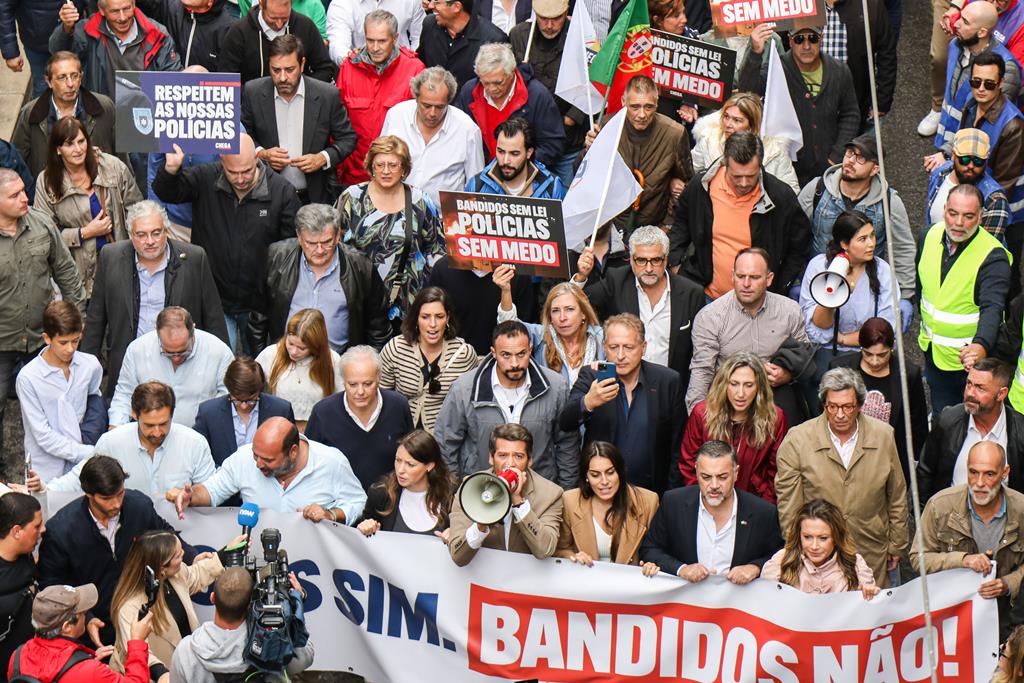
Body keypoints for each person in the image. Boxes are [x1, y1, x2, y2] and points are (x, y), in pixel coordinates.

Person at [151, 134, 301, 354]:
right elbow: (167, 192)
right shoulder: (205, 178)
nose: (240, 178)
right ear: (221, 162)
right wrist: (171, 168)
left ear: (257, 160)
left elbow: (290, 250)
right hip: (216, 297)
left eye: (247, 171)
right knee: (219, 364)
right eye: (233, 172)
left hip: (259, 303)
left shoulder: (282, 191)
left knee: (258, 366)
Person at [38, 455, 196, 646]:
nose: (116, 504)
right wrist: (86, 618)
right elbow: (53, 585)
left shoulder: (139, 507)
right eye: (106, 498)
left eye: (120, 494)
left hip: (142, 621)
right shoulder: (61, 531)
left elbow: (166, 534)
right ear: (88, 494)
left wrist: (193, 557)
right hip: (98, 632)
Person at [775, 367, 909, 586]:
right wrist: (796, 549)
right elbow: (789, 505)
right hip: (818, 557)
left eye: (847, 407)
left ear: (859, 405)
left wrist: (897, 544)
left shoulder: (883, 435)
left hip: (871, 547)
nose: (839, 414)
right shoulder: (797, 440)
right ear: (824, 404)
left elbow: (896, 494)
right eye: (832, 406)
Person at [82, 201, 229, 399]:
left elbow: (214, 319)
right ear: (131, 235)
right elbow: (96, 320)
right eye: (141, 235)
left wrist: (223, 373)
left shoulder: (194, 258)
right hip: (130, 366)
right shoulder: (111, 257)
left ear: (166, 231)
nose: (150, 241)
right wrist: (86, 375)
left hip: (181, 364)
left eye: (156, 233)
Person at [0, 168, 84, 462]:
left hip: (41, 339)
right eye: (14, 195)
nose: (25, 198)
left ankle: (58, 468)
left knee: (54, 407)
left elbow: (66, 272)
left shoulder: (40, 223)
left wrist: (75, 322)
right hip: (2, 343)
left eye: (24, 190)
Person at [672, 130, 811, 301]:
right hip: (705, 296)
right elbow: (681, 224)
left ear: (760, 166)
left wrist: (779, 287)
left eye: (750, 176)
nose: (744, 183)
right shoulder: (701, 187)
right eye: (736, 176)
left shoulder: (780, 197)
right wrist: (675, 265)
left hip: (758, 303)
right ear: (725, 164)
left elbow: (799, 246)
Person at [436, 320, 578, 487]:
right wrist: (456, 492)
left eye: (521, 354)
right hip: (481, 491)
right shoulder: (464, 389)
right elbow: (445, 443)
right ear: (493, 353)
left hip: (538, 493)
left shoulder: (556, 387)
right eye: (506, 355)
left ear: (530, 350)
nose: (515, 363)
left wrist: (566, 492)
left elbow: (567, 444)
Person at [559, 314, 684, 495]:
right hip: (600, 492)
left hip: (650, 493)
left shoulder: (667, 381)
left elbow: (677, 447)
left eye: (628, 347)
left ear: (643, 348)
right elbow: (565, 421)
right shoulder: (592, 376)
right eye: (613, 347)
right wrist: (588, 402)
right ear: (604, 348)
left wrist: (670, 496)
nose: (620, 355)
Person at [685, 248, 811, 422]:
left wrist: (788, 374)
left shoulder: (789, 311)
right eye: (740, 276)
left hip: (775, 395)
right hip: (729, 396)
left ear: (769, 279)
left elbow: (805, 353)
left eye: (754, 277)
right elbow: (702, 371)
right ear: (732, 276)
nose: (745, 284)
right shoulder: (711, 317)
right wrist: (697, 420)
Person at [914, 441, 1024, 638]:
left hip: (1005, 621)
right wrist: (962, 560)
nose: (979, 483)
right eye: (973, 472)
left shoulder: (1021, 510)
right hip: (951, 619)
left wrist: (1008, 584)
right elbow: (918, 558)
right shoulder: (940, 506)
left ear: (1005, 472)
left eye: (989, 474)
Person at [917, 184, 1011, 417]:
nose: (958, 223)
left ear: (980, 217)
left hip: (968, 363)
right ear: (944, 210)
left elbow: (993, 308)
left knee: (972, 421)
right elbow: (923, 285)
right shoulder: (927, 235)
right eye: (953, 213)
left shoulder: (993, 256)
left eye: (968, 216)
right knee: (944, 418)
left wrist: (980, 345)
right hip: (933, 352)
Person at [169, 417, 367, 523]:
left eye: (269, 460)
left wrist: (331, 514)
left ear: (293, 452)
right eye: (256, 455)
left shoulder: (332, 462)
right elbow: (212, 491)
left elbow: (357, 501)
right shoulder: (243, 458)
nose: (258, 464)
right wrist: (191, 496)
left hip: (314, 569)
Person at [255, 202, 392, 355]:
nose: (320, 250)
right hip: (287, 360)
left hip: (338, 365)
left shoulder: (360, 266)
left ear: (338, 235)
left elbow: (378, 326)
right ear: (299, 238)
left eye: (327, 242)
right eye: (311, 243)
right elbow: (259, 316)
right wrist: (260, 362)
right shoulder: (277, 256)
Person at [578, 225, 705, 389]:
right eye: (641, 260)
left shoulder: (691, 293)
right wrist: (581, 276)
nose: (649, 268)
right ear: (631, 259)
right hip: (622, 389)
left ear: (666, 259)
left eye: (656, 260)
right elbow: (577, 306)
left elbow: (698, 353)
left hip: (671, 391)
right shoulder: (616, 281)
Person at [639, 440, 784, 583]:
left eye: (722, 477)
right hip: (686, 602)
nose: (714, 485)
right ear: (696, 472)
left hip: (736, 604)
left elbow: (780, 555)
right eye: (706, 477)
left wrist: (755, 567)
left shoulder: (762, 512)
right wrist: (681, 569)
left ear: (736, 473)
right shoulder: (673, 503)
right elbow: (650, 549)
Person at [337, 135, 445, 327]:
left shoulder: (420, 201)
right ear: (371, 167)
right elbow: (335, 246)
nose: (386, 171)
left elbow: (436, 250)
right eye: (380, 165)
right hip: (359, 301)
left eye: (393, 165)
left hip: (409, 305)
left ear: (404, 169)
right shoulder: (351, 198)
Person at [801, 134, 916, 311]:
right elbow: (795, 235)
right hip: (820, 283)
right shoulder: (817, 190)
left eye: (861, 158)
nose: (851, 160)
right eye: (849, 153)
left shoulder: (889, 202)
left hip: (865, 289)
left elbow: (902, 248)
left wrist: (905, 295)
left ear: (875, 168)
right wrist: (796, 279)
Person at [738, 24, 860, 186]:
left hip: (829, 170)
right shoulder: (777, 68)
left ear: (821, 39)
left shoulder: (839, 71)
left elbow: (851, 115)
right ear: (789, 41)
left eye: (813, 38)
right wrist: (755, 53)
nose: (806, 46)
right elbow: (747, 93)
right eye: (799, 39)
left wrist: (836, 156)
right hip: (788, 169)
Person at [43, 382, 218, 495]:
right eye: (149, 425)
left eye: (164, 424)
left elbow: (212, 492)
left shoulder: (195, 443)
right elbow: (78, 479)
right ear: (134, 414)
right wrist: (44, 491)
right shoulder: (111, 442)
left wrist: (190, 495)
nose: (157, 432)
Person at [33, 116, 142, 297]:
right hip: (76, 276)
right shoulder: (46, 182)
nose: (78, 149)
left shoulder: (112, 167)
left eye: (81, 141)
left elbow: (136, 209)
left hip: (119, 267)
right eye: (69, 144)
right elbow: (44, 234)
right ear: (58, 149)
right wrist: (84, 233)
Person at [241, 34, 357, 204]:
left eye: (289, 70)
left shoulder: (326, 95)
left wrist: (322, 158)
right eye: (276, 70)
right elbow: (243, 135)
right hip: (267, 196)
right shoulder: (253, 92)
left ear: (302, 64)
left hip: (314, 196)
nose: (282, 78)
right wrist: (262, 153)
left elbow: (348, 138)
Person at [578, 75, 692, 236]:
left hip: (653, 227)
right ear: (623, 102)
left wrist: (666, 225)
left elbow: (686, 183)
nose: (642, 114)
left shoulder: (674, 134)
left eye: (648, 107)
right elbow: (582, 175)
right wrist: (589, 150)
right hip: (612, 225)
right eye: (635, 107)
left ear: (657, 104)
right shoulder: (609, 125)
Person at [109, 531, 226, 675]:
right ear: (161, 569)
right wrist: (161, 674)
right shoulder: (130, 608)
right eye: (177, 555)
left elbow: (196, 575)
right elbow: (136, 650)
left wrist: (226, 554)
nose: (183, 553)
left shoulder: (176, 573)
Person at [828, 317, 929, 483]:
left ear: (892, 347)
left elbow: (918, 423)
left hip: (890, 457)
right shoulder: (840, 369)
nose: (875, 361)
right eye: (868, 354)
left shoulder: (908, 374)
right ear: (860, 348)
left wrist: (916, 464)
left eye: (882, 355)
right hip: (847, 454)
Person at [170, 567, 314, 683]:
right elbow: (305, 655)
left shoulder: (186, 651)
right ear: (251, 606)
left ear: (213, 598)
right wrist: (295, 604)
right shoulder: (272, 641)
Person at [448, 423, 563, 564]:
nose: (510, 463)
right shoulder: (470, 487)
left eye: (519, 456)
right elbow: (458, 556)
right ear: (491, 457)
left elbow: (545, 549)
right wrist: (480, 525)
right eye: (502, 455)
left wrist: (518, 501)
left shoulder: (551, 494)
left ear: (530, 460)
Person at [799, 210, 900, 370]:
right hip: (825, 356)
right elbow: (816, 328)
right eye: (862, 239)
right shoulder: (818, 267)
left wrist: (842, 339)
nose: (871, 243)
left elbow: (885, 329)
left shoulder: (883, 271)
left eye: (872, 235)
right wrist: (832, 296)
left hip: (868, 356)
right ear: (844, 244)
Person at [926, 51, 1024, 216]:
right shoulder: (971, 101)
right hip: (972, 196)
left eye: (989, 84)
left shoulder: (1013, 127)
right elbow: (964, 138)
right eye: (975, 82)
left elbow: (1004, 184)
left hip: (996, 210)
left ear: (1001, 83)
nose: (981, 89)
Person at [14, 301, 102, 483]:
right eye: (63, 342)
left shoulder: (90, 365)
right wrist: (89, 452)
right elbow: (42, 434)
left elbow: (95, 405)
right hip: (46, 470)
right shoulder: (28, 377)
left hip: (84, 468)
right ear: (47, 338)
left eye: (75, 341)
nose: (70, 349)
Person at [681, 353, 787, 503]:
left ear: (759, 387)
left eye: (748, 385)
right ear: (724, 384)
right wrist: (705, 502)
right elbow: (689, 464)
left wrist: (762, 508)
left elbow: (776, 472)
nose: (741, 393)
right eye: (734, 384)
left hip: (754, 502)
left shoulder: (775, 418)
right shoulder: (702, 413)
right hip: (708, 500)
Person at [305, 345, 413, 491]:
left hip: (391, 502)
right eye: (353, 384)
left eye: (368, 384)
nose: (360, 391)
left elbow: (412, 455)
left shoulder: (398, 406)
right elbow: (310, 466)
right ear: (343, 381)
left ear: (379, 377)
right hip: (340, 505)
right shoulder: (323, 413)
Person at [337, 11, 425, 186]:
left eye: (382, 41)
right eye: (370, 40)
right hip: (356, 174)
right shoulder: (349, 67)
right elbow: (338, 121)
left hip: (398, 176)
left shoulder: (414, 69)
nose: (375, 47)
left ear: (395, 38)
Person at [109, 307, 234, 428]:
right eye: (168, 353)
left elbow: (227, 400)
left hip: (202, 435)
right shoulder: (138, 349)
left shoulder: (219, 352)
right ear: (157, 333)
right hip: (149, 435)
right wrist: (116, 429)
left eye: (183, 352)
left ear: (193, 331)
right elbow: (124, 394)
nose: (176, 358)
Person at [918, 358, 1024, 500]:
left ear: (1001, 394)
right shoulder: (947, 420)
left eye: (980, 388)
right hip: (950, 518)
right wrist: (924, 516)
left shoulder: (1020, 430)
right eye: (969, 384)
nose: (970, 393)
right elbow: (926, 471)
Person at [507, 0, 587, 186]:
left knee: (567, 203)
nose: (549, 25)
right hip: (528, 141)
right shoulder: (519, 35)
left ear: (566, 11)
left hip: (568, 141)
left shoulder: (581, 37)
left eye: (556, 19)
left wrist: (571, 119)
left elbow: (593, 82)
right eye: (543, 19)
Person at [10, 583, 158, 683]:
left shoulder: (17, 655)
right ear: (67, 626)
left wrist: (86, 660)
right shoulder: (89, 672)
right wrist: (138, 642)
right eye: (83, 613)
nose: (86, 614)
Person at [380, 66, 486, 205]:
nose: (432, 113)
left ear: (449, 101)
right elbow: (379, 160)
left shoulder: (468, 130)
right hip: (395, 211)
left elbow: (476, 186)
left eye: (440, 107)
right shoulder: (396, 116)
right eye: (426, 105)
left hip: (442, 219)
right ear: (416, 98)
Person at [378, 287, 478, 433]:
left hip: (445, 440)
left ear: (448, 318)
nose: (433, 324)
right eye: (425, 317)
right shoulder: (396, 348)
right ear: (416, 319)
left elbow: (471, 404)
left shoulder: (464, 354)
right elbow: (380, 395)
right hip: (401, 434)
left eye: (439, 316)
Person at [454, 42, 564, 168]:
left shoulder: (537, 95)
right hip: (481, 175)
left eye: (498, 82)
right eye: (485, 82)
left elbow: (552, 145)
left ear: (512, 73)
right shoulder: (469, 92)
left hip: (523, 177)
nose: (491, 89)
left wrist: (520, 166)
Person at [930, 2, 1021, 150]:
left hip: (972, 157)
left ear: (982, 32)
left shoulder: (1007, 69)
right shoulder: (955, 45)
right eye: (960, 16)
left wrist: (948, 152)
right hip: (945, 144)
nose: (957, 23)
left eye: (965, 22)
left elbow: (989, 125)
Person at [556, 441, 660, 570]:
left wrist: (652, 564)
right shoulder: (570, 501)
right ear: (586, 476)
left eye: (610, 472)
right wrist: (573, 556)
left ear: (620, 472)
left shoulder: (648, 501)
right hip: (586, 585)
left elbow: (657, 551)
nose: (604, 481)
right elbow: (560, 549)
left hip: (631, 587)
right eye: (595, 475)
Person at [48, 0, 182, 99]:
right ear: (102, 10)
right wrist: (66, 29)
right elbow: (58, 52)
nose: (122, 17)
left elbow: (172, 76)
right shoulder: (88, 32)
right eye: (115, 11)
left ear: (134, 4)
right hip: (101, 119)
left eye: (127, 9)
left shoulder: (157, 34)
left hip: (145, 118)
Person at [12, 51, 116, 177]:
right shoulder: (31, 114)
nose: (70, 84)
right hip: (51, 191)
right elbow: (18, 162)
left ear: (81, 77)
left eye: (74, 76)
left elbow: (121, 158)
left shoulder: (104, 107)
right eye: (62, 77)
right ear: (49, 81)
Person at [495, 267, 602, 385]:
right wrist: (505, 290)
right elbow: (508, 327)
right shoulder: (542, 335)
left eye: (569, 309)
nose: (562, 317)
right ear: (549, 316)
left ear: (583, 313)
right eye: (555, 311)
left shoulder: (601, 337)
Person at [760, 498, 879, 599]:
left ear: (836, 537)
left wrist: (869, 594)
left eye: (823, 538)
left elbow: (867, 614)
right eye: (807, 537)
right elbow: (764, 603)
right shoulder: (781, 560)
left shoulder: (855, 564)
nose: (814, 546)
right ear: (799, 535)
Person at [427, 254, 537, 355]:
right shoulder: (443, 268)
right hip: (455, 362)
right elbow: (429, 320)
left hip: (502, 363)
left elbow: (525, 327)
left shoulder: (516, 272)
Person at [194, 358, 295, 467]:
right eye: (237, 400)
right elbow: (199, 454)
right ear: (229, 390)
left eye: (251, 400)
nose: (244, 406)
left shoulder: (281, 410)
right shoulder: (208, 412)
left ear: (260, 390)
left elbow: (290, 452)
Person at [690, 91, 799, 193]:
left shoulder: (775, 150)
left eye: (737, 120)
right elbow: (690, 173)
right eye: (726, 117)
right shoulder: (709, 139)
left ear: (752, 126)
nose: (728, 124)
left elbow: (791, 192)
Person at [255, 308, 342, 429]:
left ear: (316, 346)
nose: (294, 352)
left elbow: (341, 400)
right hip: (278, 429)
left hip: (317, 429)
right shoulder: (271, 354)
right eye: (290, 343)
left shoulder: (333, 361)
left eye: (302, 348)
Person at [357, 429, 454, 536]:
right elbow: (360, 538)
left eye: (410, 464)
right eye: (398, 460)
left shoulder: (450, 495)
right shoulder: (381, 494)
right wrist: (364, 527)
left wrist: (456, 535)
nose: (400, 470)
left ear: (430, 466)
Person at [217, 0, 333, 84]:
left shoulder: (305, 26)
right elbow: (227, 80)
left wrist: (302, 90)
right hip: (252, 111)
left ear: (291, 4)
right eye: (273, 18)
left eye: (284, 18)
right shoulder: (239, 32)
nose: (278, 24)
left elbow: (325, 69)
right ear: (261, 4)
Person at [925, 127, 1010, 240]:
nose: (970, 166)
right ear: (953, 155)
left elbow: (987, 250)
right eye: (964, 160)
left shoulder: (994, 200)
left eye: (978, 161)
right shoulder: (940, 174)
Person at [0, 493, 46, 677]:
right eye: (36, 526)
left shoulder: (25, 556)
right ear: (16, 531)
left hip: (29, 666)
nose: (43, 529)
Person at [464, 117, 566, 198]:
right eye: (501, 152)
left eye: (514, 154)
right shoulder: (477, 186)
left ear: (529, 152)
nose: (505, 161)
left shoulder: (552, 187)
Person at [416, 0, 507, 89]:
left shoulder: (493, 40)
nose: (431, 6)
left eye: (437, 2)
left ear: (456, 7)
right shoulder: (430, 25)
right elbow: (421, 64)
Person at [0, 0, 78, 98]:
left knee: (76, 87)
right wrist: (11, 52)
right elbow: (5, 8)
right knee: (43, 90)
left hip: (75, 38)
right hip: (39, 44)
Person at [134, 0, 236, 70]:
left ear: (210, 2)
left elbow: (228, 80)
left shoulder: (228, 30)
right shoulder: (169, 7)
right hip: (166, 93)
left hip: (205, 96)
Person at [326, 0, 424, 66]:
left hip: (403, 75)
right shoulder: (341, 3)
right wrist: (354, 63)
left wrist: (410, 64)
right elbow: (338, 46)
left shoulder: (411, 1)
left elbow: (421, 37)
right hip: (360, 73)